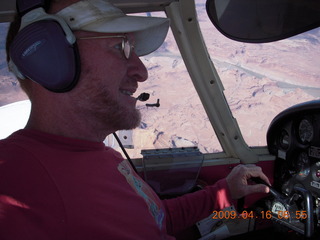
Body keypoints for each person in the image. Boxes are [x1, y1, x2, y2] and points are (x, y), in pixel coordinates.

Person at [0, 0, 270, 239]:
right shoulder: (17, 184)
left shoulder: (102, 154)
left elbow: (155, 218)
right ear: (46, 61)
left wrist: (225, 192)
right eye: (121, 47)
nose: (142, 72)